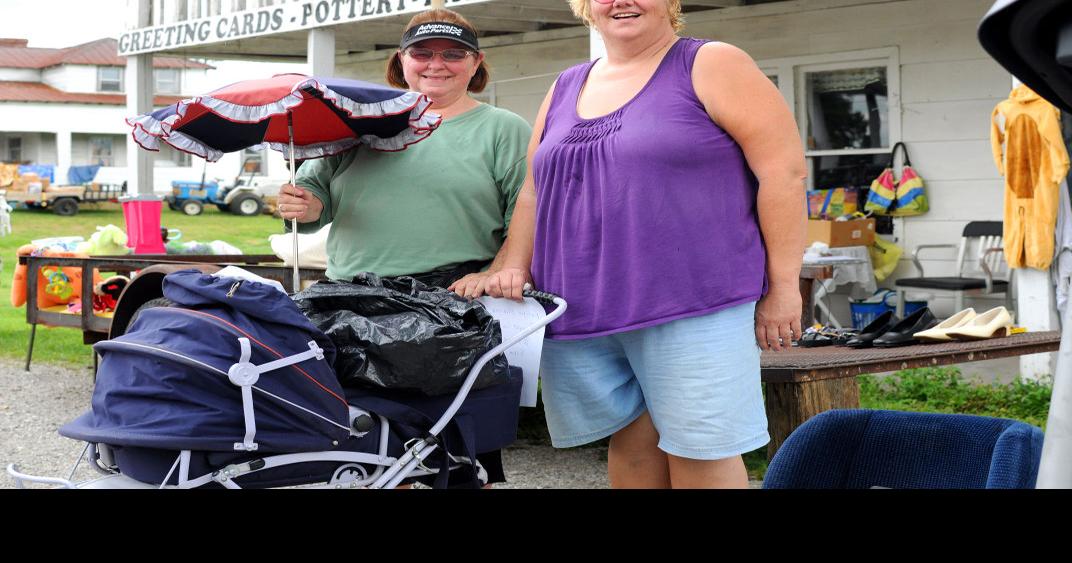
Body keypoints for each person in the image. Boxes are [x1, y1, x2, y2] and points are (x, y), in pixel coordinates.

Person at [480, 0, 807, 489]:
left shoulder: (711, 63)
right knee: (630, 445)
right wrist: (512, 266)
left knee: (701, 452)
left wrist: (783, 287)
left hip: (693, 300)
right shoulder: (568, 83)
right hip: (582, 307)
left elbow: (783, 174)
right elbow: (533, 189)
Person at [276, 8, 532, 487]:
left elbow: (528, 210)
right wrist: (303, 203)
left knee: (456, 457)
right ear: (402, 60)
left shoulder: (504, 129)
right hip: (348, 303)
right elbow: (316, 203)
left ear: (475, 64)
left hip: (451, 310)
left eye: (454, 54)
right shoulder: (356, 123)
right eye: (423, 53)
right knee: (359, 451)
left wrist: (498, 269)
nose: (438, 63)